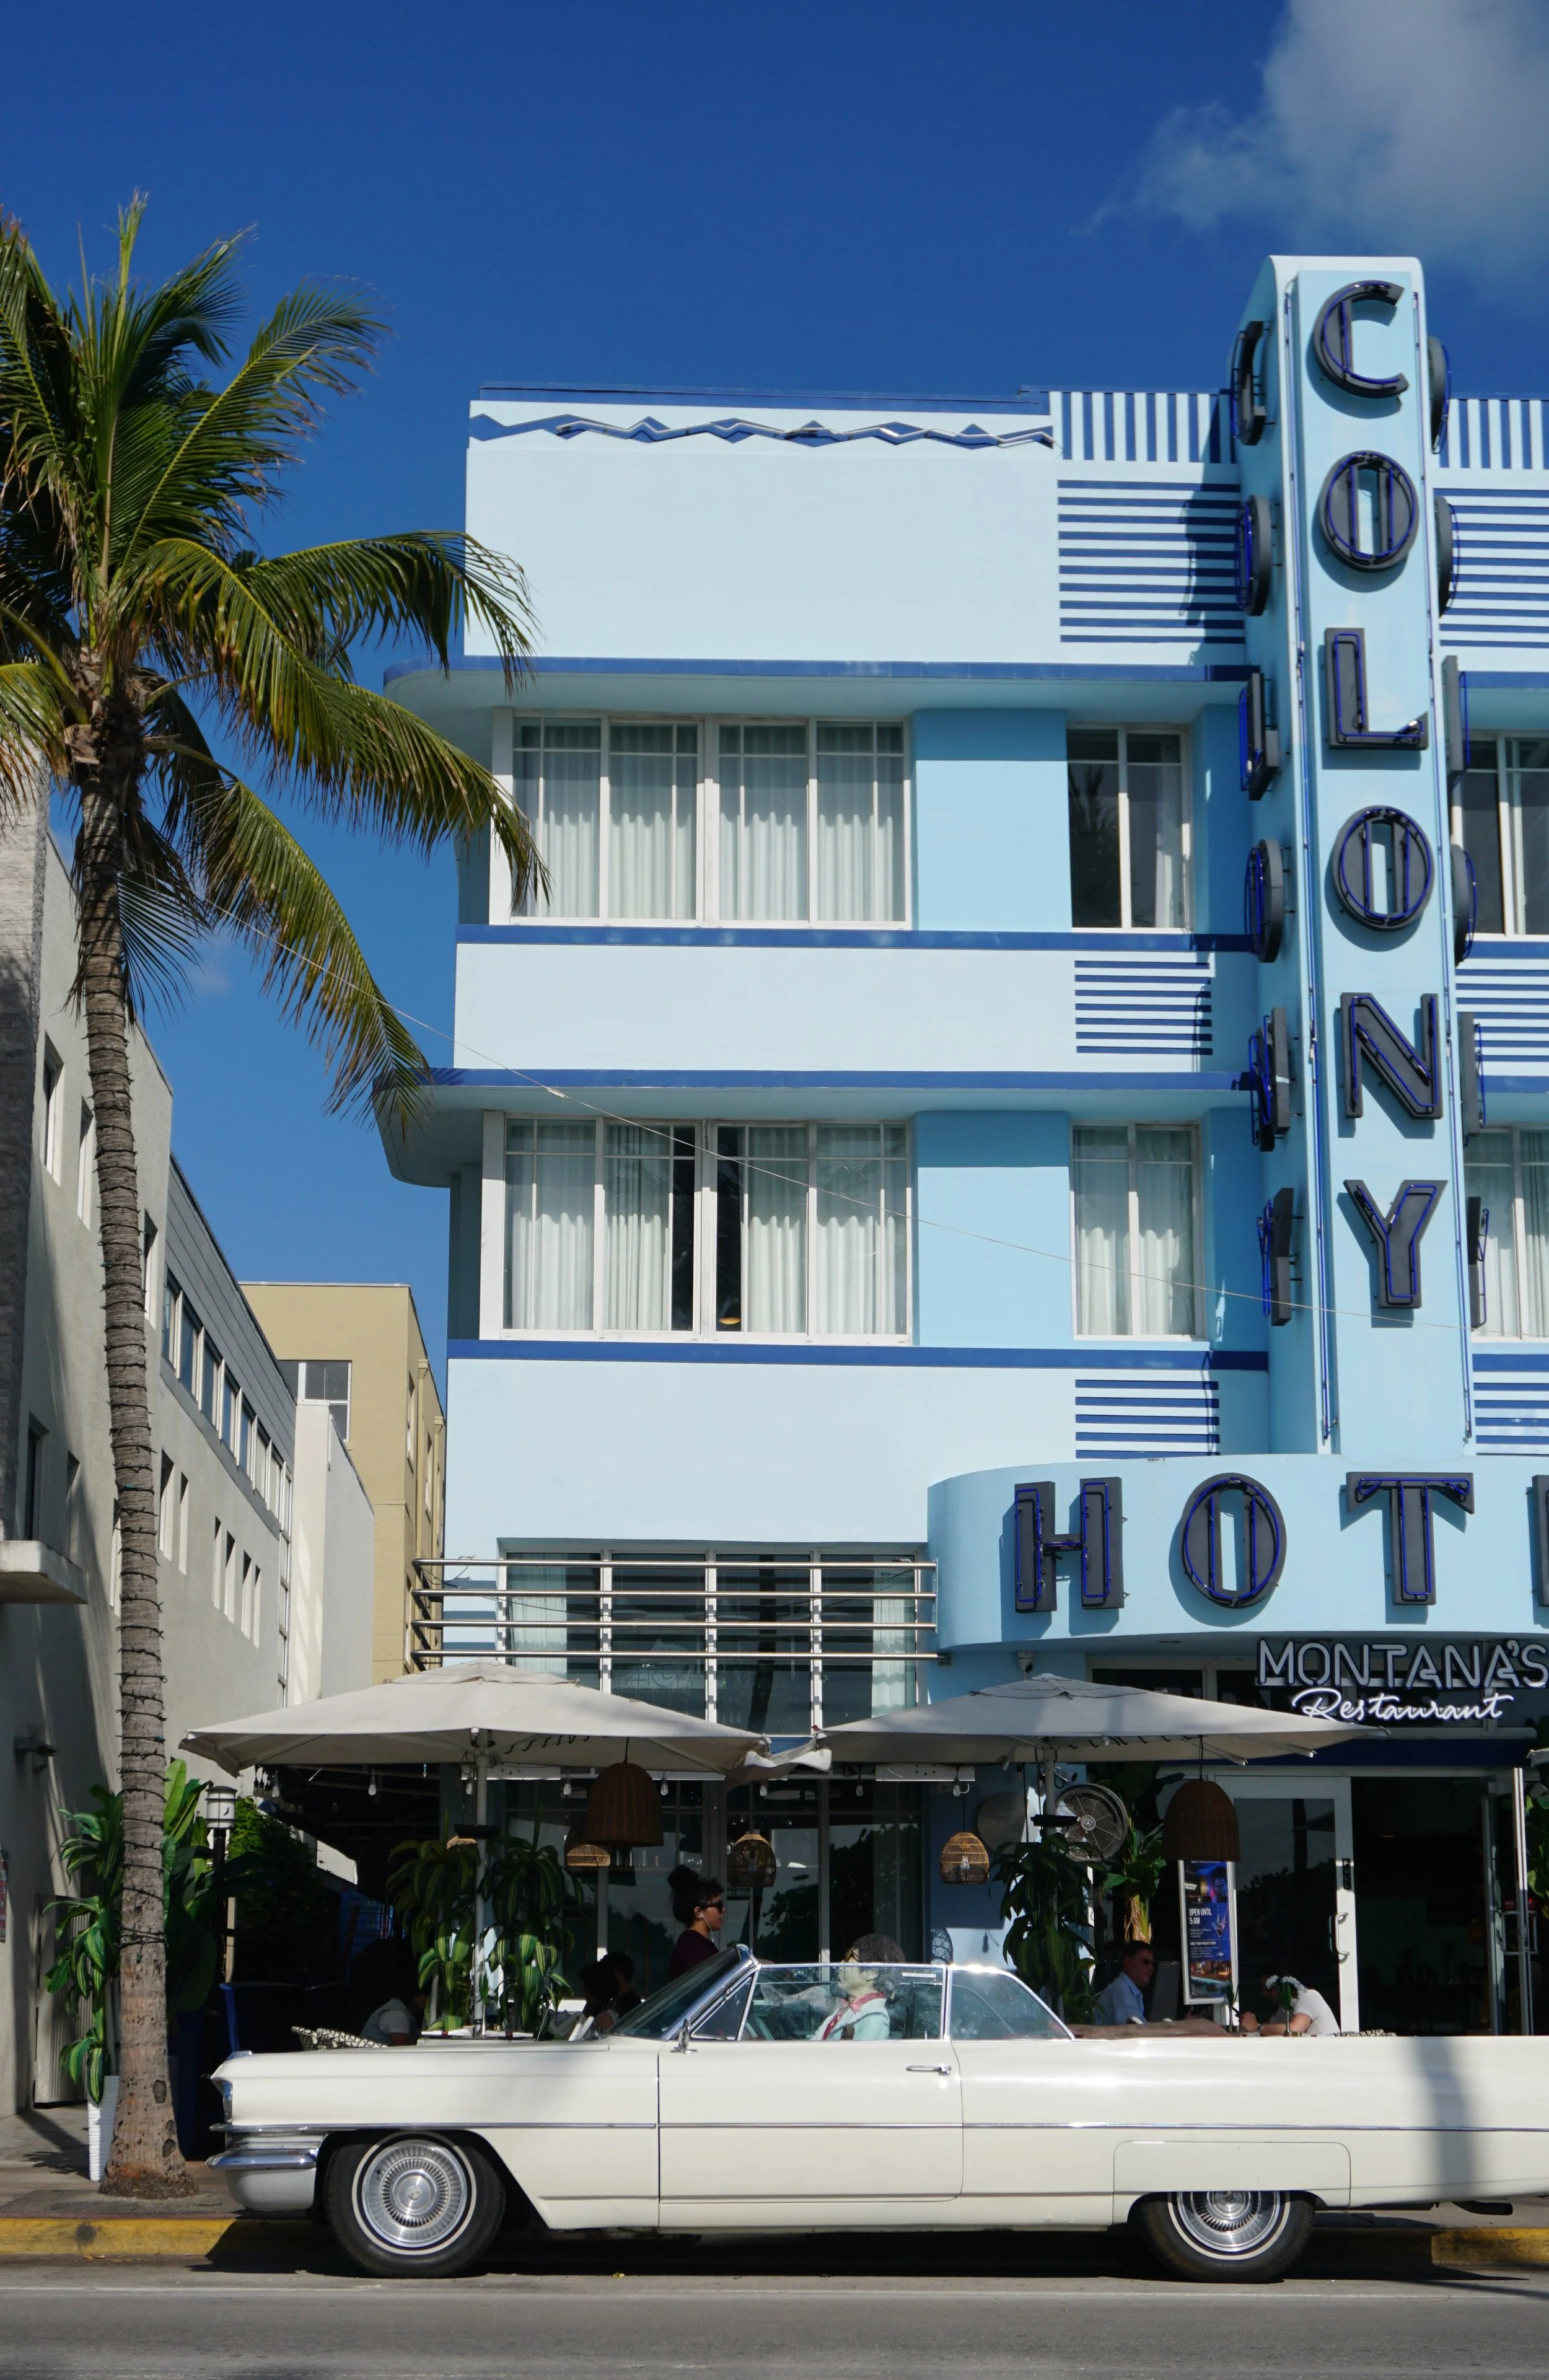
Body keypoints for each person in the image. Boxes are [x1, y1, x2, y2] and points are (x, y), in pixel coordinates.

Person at [817, 1935, 905, 2040]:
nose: (841, 1965)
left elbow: (861, 2056)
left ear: (871, 1973)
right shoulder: (845, 2008)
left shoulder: (875, 2015)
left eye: (849, 1958)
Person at [1240, 1970, 1341, 2036]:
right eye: (1263, 1988)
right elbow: (1267, 2031)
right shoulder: (1283, 2009)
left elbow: (1295, 2030)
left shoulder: (1308, 1996)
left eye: (1269, 1988)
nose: (1265, 1994)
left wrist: (1256, 2026)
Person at [667, 1867, 726, 1977]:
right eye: (719, 1905)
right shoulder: (695, 1949)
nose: (723, 1910)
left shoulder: (691, 1942)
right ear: (698, 1912)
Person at [1092, 1941, 1156, 2025]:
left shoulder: (1125, 1990)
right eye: (1145, 1962)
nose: (1151, 1968)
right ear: (1128, 1963)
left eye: (1152, 1963)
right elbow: (1136, 2031)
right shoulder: (1121, 1991)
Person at [361, 1983, 428, 2045]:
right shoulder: (398, 2015)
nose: (429, 2000)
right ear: (415, 1997)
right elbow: (402, 2050)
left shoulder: (410, 2014)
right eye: (427, 1996)